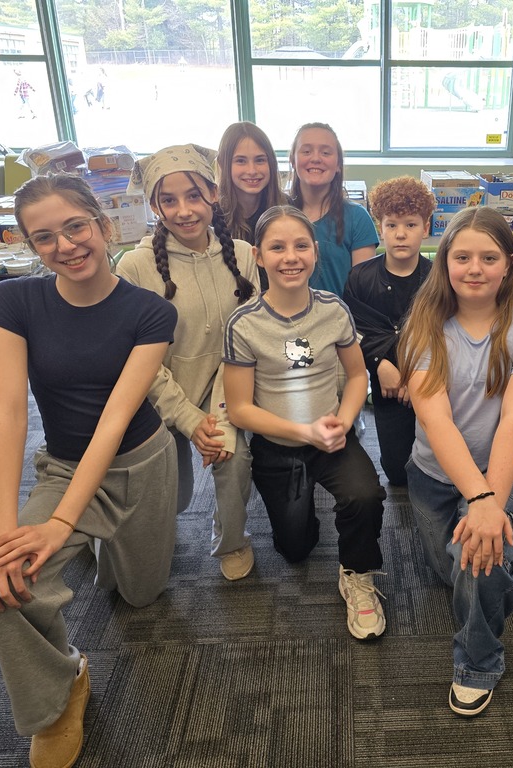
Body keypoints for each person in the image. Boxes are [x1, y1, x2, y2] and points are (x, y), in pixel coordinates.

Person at [0, 175, 178, 768]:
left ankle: (90, 542)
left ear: (104, 226)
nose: (64, 245)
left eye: (75, 227)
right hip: (65, 467)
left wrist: (61, 526)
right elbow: (8, 412)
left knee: (138, 597)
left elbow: (114, 422)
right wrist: (3, 529)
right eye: (43, 237)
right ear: (30, 246)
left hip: (139, 465)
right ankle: (60, 696)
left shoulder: (150, 312)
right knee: (5, 584)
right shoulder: (14, 302)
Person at [399, 205, 513, 717]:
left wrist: (489, 500)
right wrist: (480, 501)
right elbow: (437, 422)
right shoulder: (424, 322)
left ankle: (478, 662)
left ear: (508, 264)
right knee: (455, 574)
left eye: (489, 257)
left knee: (479, 560)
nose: (474, 268)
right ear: (444, 263)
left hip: (512, 466)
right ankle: (507, 541)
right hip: (434, 475)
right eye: (462, 256)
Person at [222, 205, 387, 640]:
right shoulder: (244, 323)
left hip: (333, 436)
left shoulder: (334, 309)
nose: (290, 256)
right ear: (259, 256)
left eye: (301, 246)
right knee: (295, 549)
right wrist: (301, 432)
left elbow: (356, 376)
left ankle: (357, 573)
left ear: (315, 252)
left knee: (365, 496)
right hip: (278, 447)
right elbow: (239, 409)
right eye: (277, 247)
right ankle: (302, 522)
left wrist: (342, 422)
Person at [117, 143, 259, 581]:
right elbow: (139, 363)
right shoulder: (136, 266)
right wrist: (186, 417)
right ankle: (106, 531)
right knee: (171, 500)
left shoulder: (243, 253)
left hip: (224, 388)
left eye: (194, 196)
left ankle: (231, 539)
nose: (184, 211)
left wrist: (214, 419)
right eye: (169, 200)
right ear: (154, 205)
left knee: (231, 457)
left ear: (214, 194)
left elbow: (246, 341)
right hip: (157, 397)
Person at [342, 175, 435, 487]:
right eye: (392, 224)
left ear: (426, 227)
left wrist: (417, 377)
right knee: (397, 472)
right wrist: (380, 363)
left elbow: (446, 332)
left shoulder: (439, 279)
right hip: (386, 387)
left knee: (437, 459)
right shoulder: (360, 277)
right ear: (379, 227)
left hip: (434, 381)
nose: (401, 234)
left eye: (410, 224)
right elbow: (353, 330)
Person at [288, 122, 378, 296]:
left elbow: (364, 293)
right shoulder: (279, 217)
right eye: (306, 151)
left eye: (325, 152)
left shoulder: (357, 219)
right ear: (293, 160)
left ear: (338, 164)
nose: (315, 158)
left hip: (341, 321)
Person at [216, 121, 288, 290]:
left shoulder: (286, 209)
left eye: (260, 160)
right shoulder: (213, 216)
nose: (252, 170)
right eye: (241, 161)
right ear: (222, 164)